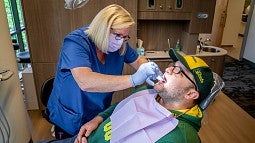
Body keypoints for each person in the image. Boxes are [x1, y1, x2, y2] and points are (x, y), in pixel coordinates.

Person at [41, 48, 215, 143]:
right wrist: (98, 119)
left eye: (178, 71)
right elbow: (120, 107)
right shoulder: (148, 91)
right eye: (172, 65)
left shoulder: (180, 136)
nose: (169, 69)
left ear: (192, 93)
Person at [47, 4, 161, 139]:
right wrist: (133, 79)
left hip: (97, 112)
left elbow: (137, 60)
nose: (121, 41)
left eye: (125, 37)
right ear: (102, 29)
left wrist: (147, 67)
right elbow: (85, 81)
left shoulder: (120, 45)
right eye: (118, 35)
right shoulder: (75, 42)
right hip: (70, 115)